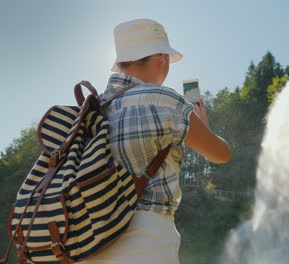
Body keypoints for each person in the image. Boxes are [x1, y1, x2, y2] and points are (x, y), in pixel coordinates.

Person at [81, 19, 231, 264]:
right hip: (145, 240)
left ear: (121, 62)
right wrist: (203, 125)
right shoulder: (164, 100)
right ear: (162, 58)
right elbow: (221, 154)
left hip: (89, 241)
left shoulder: (94, 108)